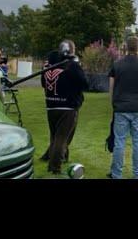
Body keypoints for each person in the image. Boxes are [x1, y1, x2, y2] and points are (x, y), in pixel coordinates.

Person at [108, 35, 138, 179]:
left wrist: (113, 103)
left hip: (121, 108)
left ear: (125, 47)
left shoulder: (117, 65)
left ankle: (116, 174)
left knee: (119, 142)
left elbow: (111, 87)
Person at [40, 39, 88, 175]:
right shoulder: (72, 65)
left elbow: (44, 83)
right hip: (67, 106)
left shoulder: (48, 65)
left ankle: (60, 157)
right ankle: (54, 167)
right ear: (71, 50)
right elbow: (84, 83)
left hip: (51, 105)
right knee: (61, 138)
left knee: (55, 136)